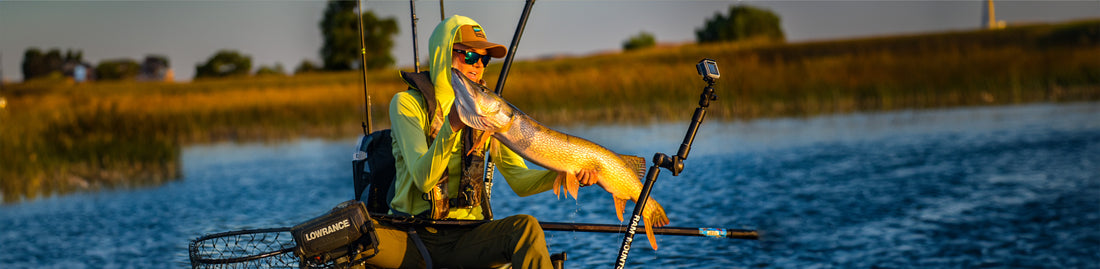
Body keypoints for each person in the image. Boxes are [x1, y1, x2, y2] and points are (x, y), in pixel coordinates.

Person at [359, 15, 596, 269]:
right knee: (348, 237)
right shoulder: (407, 104)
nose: (478, 65)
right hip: (411, 236)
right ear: (443, 54)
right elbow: (423, 179)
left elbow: (519, 181)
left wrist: (564, 174)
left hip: (466, 236)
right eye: (469, 56)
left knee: (526, 229)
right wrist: (453, 125)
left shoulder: (490, 112)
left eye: (484, 59)